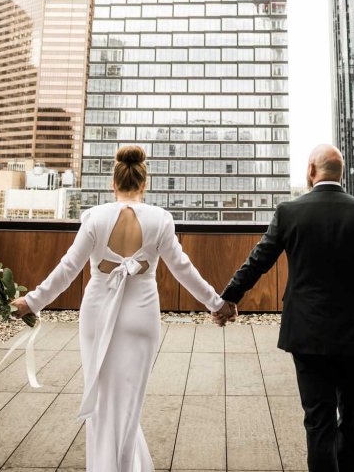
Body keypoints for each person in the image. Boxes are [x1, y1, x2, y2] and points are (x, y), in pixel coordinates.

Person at [12, 144, 235, 472]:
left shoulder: (94, 217)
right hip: (142, 317)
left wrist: (31, 301)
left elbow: (68, 268)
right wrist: (216, 304)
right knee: (130, 402)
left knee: (101, 397)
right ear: (144, 184)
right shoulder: (161, 219)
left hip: (97, 315)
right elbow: (183, 269)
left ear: (113, 184)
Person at [215, 144, 354, 472]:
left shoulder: (290, 212)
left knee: (318, 420)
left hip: (307, 334)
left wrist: (227, 299)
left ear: (311, 171)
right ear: (339, 174)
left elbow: (258, 262)